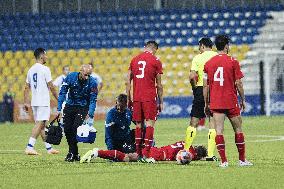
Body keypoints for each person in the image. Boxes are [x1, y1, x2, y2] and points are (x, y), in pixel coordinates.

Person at [203, 35, 253, 167]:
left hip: (216, 101)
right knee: (238, 129)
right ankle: (242, 160)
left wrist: (206, 103)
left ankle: (224, 162)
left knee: (218, 130)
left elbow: (206, 86)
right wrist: (243, 99)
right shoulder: (233, 61)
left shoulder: (209, 63)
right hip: (230, 100)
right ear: (226, 46)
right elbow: (239, 83)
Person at [126, 41, 163, 161]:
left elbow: (127, 82)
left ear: (145, 47)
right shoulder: (156, 61)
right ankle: (146, 154)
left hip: (137, 96)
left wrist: (128, 98)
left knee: (138, 124)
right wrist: (161, 101)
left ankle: (137, 153)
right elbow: (159, 85)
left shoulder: (134, 60)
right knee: (149, 123)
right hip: (149, 97)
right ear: (155, 49)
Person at [184, 38, 218, 161]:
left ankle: (186, 151)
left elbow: (192, 76)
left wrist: (194, 89)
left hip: (199, 88)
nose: (199, 49)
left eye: (199, 46)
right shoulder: (217, 56)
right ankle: (210, 154)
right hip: (215, 89)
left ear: (202, 46)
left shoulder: (197, 58)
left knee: (194, 121)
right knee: (212, 121)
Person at [57, 64, 98, 162]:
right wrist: (59, 108)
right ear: (80, 71)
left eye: (89, 75)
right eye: (86, 74)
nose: (87, 77)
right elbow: (63, 92)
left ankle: (71, 153)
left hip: (82, 107)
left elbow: (93, 99)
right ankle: (75, 153)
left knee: (75, 128)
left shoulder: (92, 82)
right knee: (67, 129)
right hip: (70, 106)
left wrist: (90, 113)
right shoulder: (70, 77)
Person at [24, 48, 59, 155]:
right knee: (40, 123)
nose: (47, 57)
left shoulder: (30, 70)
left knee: (42, 124)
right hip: (43, 101)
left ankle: (49, 148)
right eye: (46, 55)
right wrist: (59, 99)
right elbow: (51, 86)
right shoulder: (45, 69)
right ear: (41, 56)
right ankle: (29, 147)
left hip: (34, 101)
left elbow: (26, 87)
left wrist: (26, 102)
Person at [80, 141, 207, 163]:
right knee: (127, 157)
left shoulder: (187, 143)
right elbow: (184, 158)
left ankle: (98, 152)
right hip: (156, 154)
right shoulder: (190, 153)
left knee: (128, 156)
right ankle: (98, 152)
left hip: (156, 150)